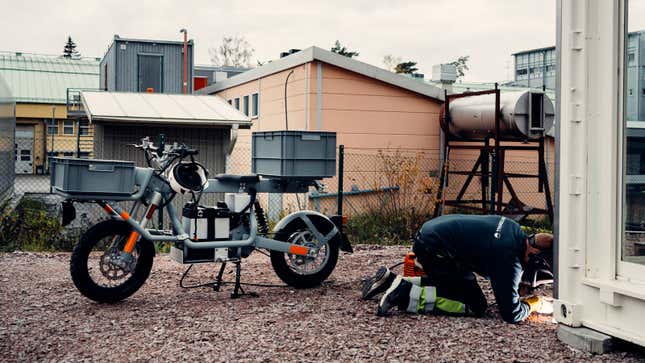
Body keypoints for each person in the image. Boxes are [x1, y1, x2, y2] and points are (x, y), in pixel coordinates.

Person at [361, 214, 553, 323]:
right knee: (476, 305)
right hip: (436, 250)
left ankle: (391, 281)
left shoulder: (512, 228)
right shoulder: (509, 260)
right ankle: (403, 293)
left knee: (457, 282)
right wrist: (536, 303)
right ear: (535, 256)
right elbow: (512, 314)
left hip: (431, 235)